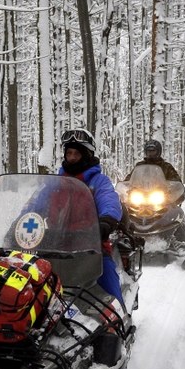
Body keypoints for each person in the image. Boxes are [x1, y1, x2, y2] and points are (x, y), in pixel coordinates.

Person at [58, 128, 124, 307]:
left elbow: (109, 199)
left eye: (76, 153)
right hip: (55, 244)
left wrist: (106, 221)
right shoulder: (57, 182)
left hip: (91, 245)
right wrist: (18, 223)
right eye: (69, 153)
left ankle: (119, 317)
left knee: (107, 275)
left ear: (86, 155)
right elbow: (37, 203)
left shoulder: (98, 181)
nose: (71, 157)